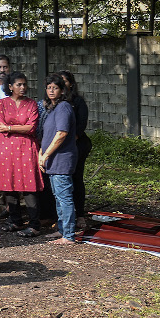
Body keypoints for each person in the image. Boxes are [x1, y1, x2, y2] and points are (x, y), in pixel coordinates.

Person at [0, 72, 42, 237]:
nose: (23, 88)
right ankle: (15, 221)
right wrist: (16, 128)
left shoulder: (32, 104)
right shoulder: (2, 103)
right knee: (9, 185)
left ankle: (35, 224)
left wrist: (9, 128)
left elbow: (31, 128)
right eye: (19, 84)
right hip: (6, 148)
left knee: (29, 186)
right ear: (10, 87)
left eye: (24, 84)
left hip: (26, 148)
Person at [40, 73, 79, 245]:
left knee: (64, 196)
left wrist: (46, 154)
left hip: (62, 159)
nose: (51, 91)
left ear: (62, 90)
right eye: (49, 88)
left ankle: (69, 235)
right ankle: (62, 230)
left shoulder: (63, 107)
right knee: (58, 196)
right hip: (53, 160)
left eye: (55, 88)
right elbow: (47, 135)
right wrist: (42, 155)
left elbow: (62, 134)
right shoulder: (52, 109)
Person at [58, 70, 92, 227]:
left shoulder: (78, 102)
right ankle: (61, 215)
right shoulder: (53, 102)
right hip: (58, 147)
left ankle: (79, 215)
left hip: (76, 145)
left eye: (64, 81)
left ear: (71, 84)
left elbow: (80, 126)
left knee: (76, 178)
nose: (61, 84)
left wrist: (66, 140)